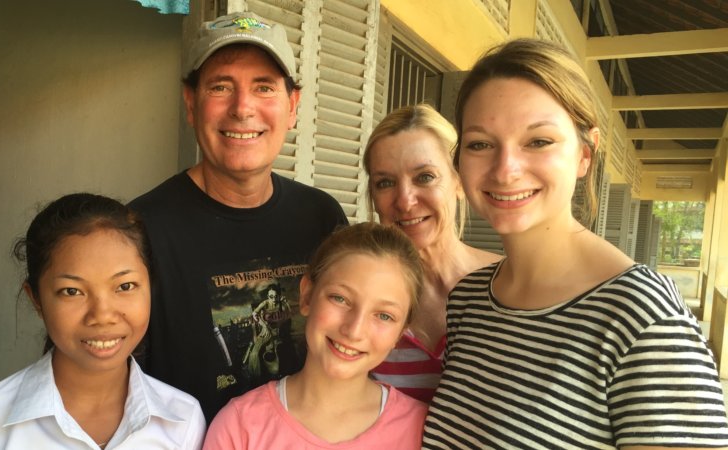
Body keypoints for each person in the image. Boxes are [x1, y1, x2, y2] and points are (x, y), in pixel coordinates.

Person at [422, 38, 728, 449]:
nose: (506, 169)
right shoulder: (470, 300)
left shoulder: (640, 316)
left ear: (585, 154)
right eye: (480, 144)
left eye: (539, 141)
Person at [127, 11, 347, 422]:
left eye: (263, 88)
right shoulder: (138, 228)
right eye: (221, 87)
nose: (242, 108)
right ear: (191, 104)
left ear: (293, 106)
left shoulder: (322, 217)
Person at [0, 193, 205, 450]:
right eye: (72, 291)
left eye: (125, 286)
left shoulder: (183, 420)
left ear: (150, 286)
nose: (102, 315)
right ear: (36, 299)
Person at [203, 223, 428, 449]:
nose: (354, 330)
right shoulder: (239, 426)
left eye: (384, 315)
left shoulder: (425, 433)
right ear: (307, 295)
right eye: (340, 299)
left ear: (400, 332)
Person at [363, 104, 501, 401]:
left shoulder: (513, 285)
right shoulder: (362, 301)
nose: (405, 201)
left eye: (424, 177)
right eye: (385, 183)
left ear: (459, 181)